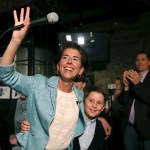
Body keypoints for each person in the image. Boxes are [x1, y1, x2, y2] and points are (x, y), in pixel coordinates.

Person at [0, 7, 89, 150]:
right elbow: (5, 74)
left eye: (75, 59)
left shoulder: (79, 95)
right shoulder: (38, 84)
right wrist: (16, 41)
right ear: (58, 66)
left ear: (81, 70)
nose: (69, 61)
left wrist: (101, 120)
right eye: (65, 57)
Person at [120, 50, 150, 150]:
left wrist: (137, 84)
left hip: (146, 129)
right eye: (137, 60)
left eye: (143, 59)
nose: (140, 62)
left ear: (149, 62)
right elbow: (123, 101)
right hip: (129, 127)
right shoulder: (132, 78)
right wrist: (126, 86)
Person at [73, 85, 107, 150]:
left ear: (103, 108)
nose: (94, 105)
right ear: (83, 101)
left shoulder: (102, 129)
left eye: (99, 103)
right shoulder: (71, 121)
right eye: (91, 101)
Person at [105, 77, 124, 150]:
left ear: (121, 85)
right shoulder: (110, 97)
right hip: (113, 122)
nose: (116, 85)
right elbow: (106, 112)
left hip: (122, 122)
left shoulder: (124, 96)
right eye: (115, 84)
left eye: (118, 83)